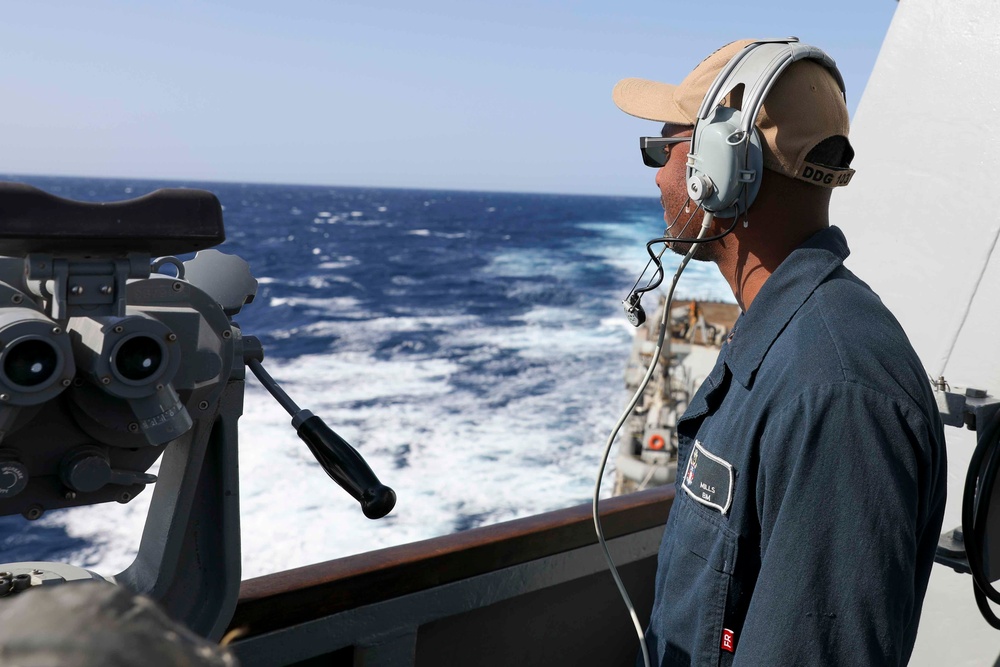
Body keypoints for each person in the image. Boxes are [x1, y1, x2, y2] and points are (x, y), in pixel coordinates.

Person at [612, 39, 947, 665]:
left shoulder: (836, 392)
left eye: (668, 148)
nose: (658, 175)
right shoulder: (787, 340)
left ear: (723, 164)